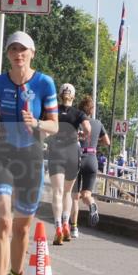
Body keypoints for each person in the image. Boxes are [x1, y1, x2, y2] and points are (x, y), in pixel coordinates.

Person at [0, 31, 59, 275]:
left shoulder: (44, 83)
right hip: (1, 153)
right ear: (8, 54)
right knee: (3, 220)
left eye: (23, 49)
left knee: (23, 228)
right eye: (13, 49)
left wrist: (37, 123)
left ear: (32, 53)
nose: (18, 54)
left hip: (31, 157)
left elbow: (55, 125)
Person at [46, 84, 90, 245]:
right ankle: (66, 224)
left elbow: (44, 129)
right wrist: (81, 135)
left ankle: (57, 227)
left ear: (60, 95)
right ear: (73, 96)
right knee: (68, 192)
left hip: (56, 150)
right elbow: (87, 129)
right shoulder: (79, 113)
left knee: (57, 192)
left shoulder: (53, 111)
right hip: (72, 151)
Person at [72, 95, 110, 234]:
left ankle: (74, 228)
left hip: (77, 158)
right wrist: (94, 142)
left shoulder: (75, 122)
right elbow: (107, 142)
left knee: (75, 196)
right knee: (87, 194)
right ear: (91, 110)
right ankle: (92, 204)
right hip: (92, 159)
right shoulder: (98, 123)